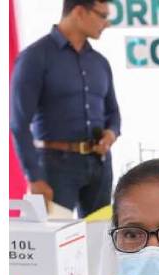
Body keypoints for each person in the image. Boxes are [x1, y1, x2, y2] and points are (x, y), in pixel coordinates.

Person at [10, 0, 120, 218]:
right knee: (56, 236)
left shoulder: (100, 63)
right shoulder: (34, 58)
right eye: (102, 15)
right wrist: (34, 177)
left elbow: (113, 114)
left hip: (99, 166)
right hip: (54, 168)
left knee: (99, 235)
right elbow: (19, 123)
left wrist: (111, 133)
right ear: (79, 12)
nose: (106, 23)